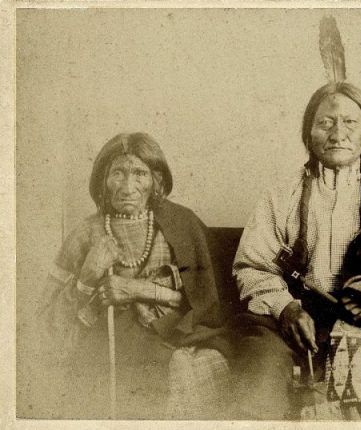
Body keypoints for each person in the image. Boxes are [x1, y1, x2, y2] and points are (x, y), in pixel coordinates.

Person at [231, 82, 361, 420]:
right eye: (325, 122)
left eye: (350, 122)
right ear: (308, 133)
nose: (338, 133)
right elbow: (253, 267)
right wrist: (286, 309)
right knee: (262, 369)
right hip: (293, 322)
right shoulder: (281, 195)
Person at [40, 132, 229, 419]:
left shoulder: (181, 224)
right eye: (118, 173)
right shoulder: (84, 234)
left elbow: (203, 302)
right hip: (104, 346)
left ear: (157, 181)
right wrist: (88, 277)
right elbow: (45, 324)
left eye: (139, 173)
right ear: (103, 181)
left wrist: (136, 289)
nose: (128, 187)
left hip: (169, 338)